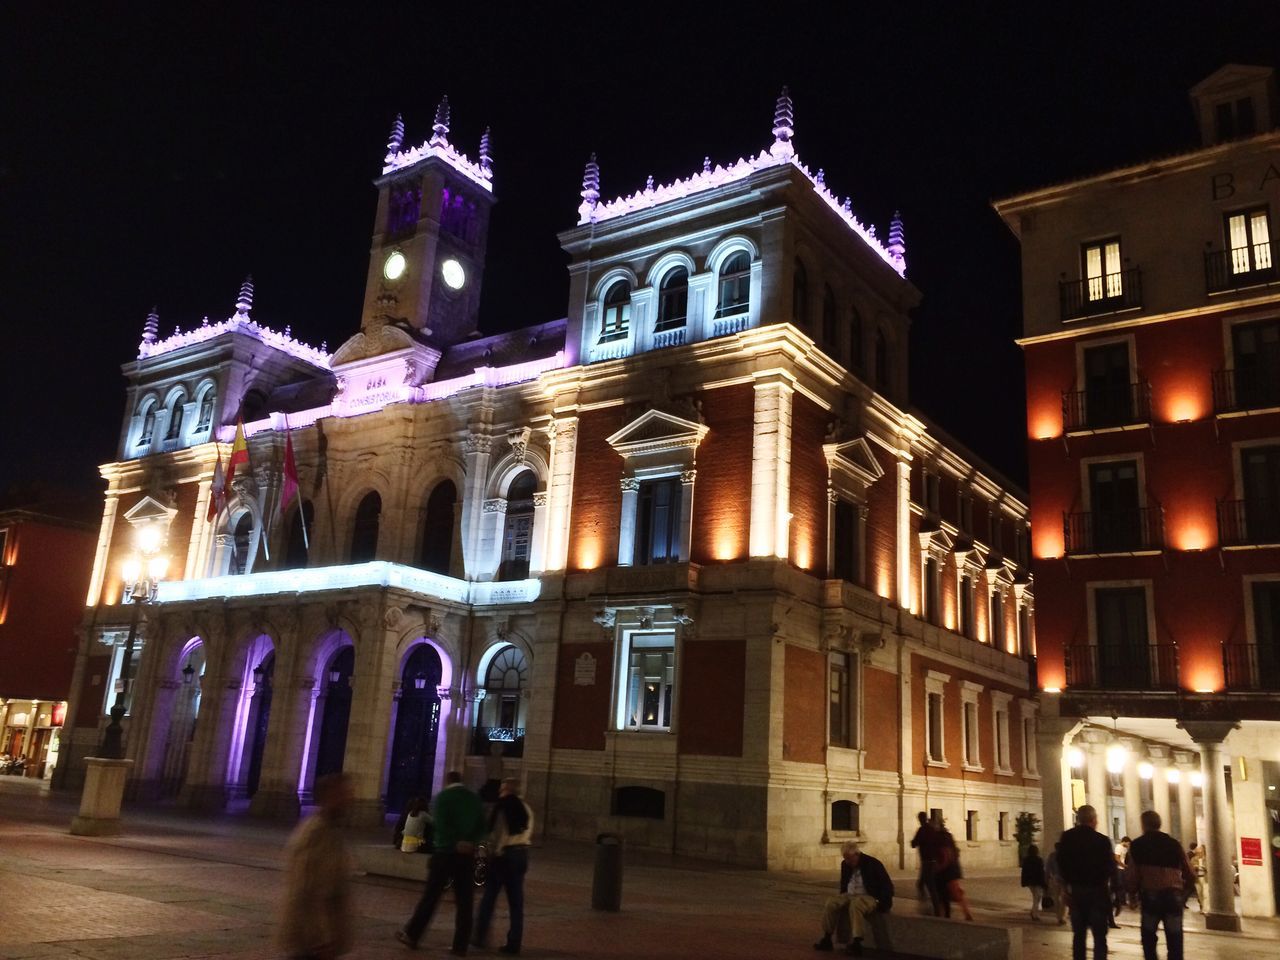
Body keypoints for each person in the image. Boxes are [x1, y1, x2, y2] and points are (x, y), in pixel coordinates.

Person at [397, 771, 488, 956]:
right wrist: (470, 842)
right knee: (465, 901)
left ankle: (413, 935)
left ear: (448, 781)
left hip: (445, 854)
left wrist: (454, 842)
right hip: (466, 856)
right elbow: (482, 827)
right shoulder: (474, 799)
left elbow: (441, 825)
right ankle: (460, 945)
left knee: (431, 897)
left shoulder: (443, 797)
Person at [279, 773, 354, 960]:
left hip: (320, 940)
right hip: (313, 942)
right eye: (343, 794)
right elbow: (305, 889)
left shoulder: (331, 829)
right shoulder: (316, 832)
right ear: (328, 797)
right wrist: (320, 938)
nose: (350, 798)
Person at [473, 777, 534, 955]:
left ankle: (479, 935)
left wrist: (490, 853)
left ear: (506, 790)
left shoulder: (503, 806)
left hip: (504, 857)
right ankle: (514, 942)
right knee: (516, 903)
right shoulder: (526, 808)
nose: (500, 792)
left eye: (502, 789)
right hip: (522, 853)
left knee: (489, 898)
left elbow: (497, 835)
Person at [1125, 811, 1194, 960]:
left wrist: (1132, 895)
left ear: (1143, 825)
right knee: (1175, 939)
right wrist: (1183, 894)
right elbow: (1190, 873)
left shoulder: (1137, 845)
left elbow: (1133, 874)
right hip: (1173, 896)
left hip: (1151, 896)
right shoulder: (1174, 844)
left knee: (1149, 939)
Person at [813, 841, 894, 956]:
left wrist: (882, 903)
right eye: (845, 859)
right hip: (850, 894)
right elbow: (844, 884)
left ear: (857, 854)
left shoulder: (873, 864)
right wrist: (842, 896)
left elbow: (887, 886)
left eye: (850, 859)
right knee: (831, 902)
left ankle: (857, 943)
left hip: (869, 895)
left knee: (856, 905)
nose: (847, 862)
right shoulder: (845, 864)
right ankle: (827, 938)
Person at [1058, 805, 1116, 960]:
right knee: (1099, 937)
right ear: (1093, 820)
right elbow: (1110, 868)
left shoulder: (1067, 837)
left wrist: (1065, 888)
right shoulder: (1102, 841)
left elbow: (1061, 864)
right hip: (1098, 892)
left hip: (1076, 892)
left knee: (1078, 936)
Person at [935, 830, 974, 922]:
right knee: (955, 895)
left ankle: (965, 914)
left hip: (948, 873)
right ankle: (965, 913)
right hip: (953, 872)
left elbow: (945, 859)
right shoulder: (952, 847)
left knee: (951, 895)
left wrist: (938, 869)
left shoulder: (944, 847)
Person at [909, 812, 942, 915]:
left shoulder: (922, 830)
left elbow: (914, 843)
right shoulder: (932, 829)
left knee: (929, 885)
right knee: (922, 884)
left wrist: (913, 842)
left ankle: (936, 908)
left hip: (927, 862)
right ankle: (927, 904)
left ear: (921, 819)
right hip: (932, 861)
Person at [1022, 844, 1047, 922]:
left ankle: (1034, 912)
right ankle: (1034, 914)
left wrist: (1024, 881)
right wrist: (1044, 883)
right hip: (1037, 881)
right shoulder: (1038, 860)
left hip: (1030, 881)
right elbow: (1041, 872)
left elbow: (1024, 872)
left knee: (1036, 897)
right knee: (1037, 898)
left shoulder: (1026, 860)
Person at [1045, 842, 1068, 925]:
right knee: (1064, 898)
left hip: (1056, 878)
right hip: (1065, 879)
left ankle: (1059, 916)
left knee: (1056, 898)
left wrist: (1047, 879)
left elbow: (1048, 868)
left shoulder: (1052, 856)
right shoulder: (1066, 856)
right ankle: (1063, 916)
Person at [1111, 837, 1131, 928]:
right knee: (1120, 885)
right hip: (1119, 869)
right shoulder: (1118, 847)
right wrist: (1123, 865)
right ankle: (1119, 901)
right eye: (1128, 843)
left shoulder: (1125, 848)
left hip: (1123, 868)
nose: (1128, 845)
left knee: (1123, 885)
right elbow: (1117, 858)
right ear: (1125, 841)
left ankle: (1122, 901)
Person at [1187, 843, 1206, 912]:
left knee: (1205, 893)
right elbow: (1190, 866)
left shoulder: (1206, 859)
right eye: (1199, 848)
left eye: (1201, 849)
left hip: (1205, 877)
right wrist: (1195, 867)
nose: (1199, 850)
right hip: (1197, 877)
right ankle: (1202, 906)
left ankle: (1205, 908)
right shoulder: (1194, 858)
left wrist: (1204, 868)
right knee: (1199, 893)